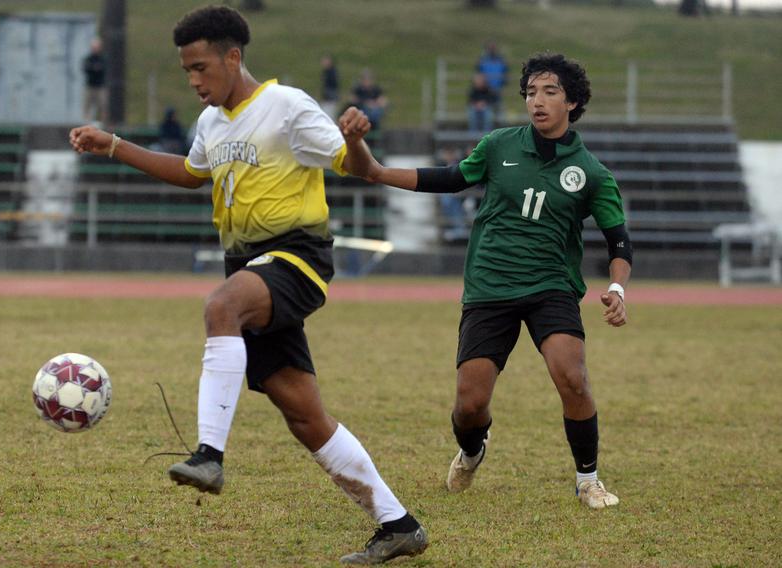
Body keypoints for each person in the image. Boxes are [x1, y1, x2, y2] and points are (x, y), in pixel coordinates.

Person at [69, 5, 427, 564]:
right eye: (186, 70)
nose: (193, 80)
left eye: (202, 67)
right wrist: (113, 145)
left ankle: (209, 453)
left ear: (233, 57)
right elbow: (192, 175)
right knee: (304, 414)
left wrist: (356, 138)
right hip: (247, 266)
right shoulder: (211, 122)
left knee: (220, 308)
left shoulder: (286, 106)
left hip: (296, 257)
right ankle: (398, 523)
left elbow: (354, 165)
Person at [349, 52, 632, 510]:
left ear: (573, 102)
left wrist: (617, 288)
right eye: (530, 92)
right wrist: (378, 172)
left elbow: (619, 243)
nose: (536, 101)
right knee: (469, 404)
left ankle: (588, 480)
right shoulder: (499, 145)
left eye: (550, 92)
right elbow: (449, 178)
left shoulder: (593, 174)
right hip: (490, 286)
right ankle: (472, 449)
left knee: (573, 377)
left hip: (551, 287)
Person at [475, 42, 508, 121]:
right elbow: (479, 73)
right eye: (490, 48)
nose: (492, 50)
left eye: (493, 48)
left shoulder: (500, 60)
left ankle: (501, 125)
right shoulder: (482, 60)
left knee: (499, 108)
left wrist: (502, 83)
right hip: (486, 89)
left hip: (498, 89)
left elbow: (505, 73)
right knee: (488, 110)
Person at [82, 37, 108, 124]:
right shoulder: (88, 59)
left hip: (100, 86)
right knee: (87, 105)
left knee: (102, 105)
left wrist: (95, 68)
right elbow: (86, 69)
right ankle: (87, 123)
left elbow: (104, 69)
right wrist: (94, 68)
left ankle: (103, 124)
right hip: (90, 86)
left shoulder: (103, 59)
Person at [319, 54, 340, 119]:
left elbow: (333, 86)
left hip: (330, 98)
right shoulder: (326, 72)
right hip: (327, 97)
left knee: (328, 115)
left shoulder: (331, 73)